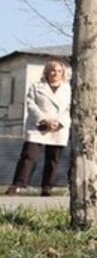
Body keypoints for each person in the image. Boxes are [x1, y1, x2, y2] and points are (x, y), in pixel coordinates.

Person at [7, 60, 70, 196]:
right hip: (38, 126)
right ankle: (18, 184)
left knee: (53, 159)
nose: (56, 73)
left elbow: (69, 108)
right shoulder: (36, 87)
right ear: (47, 72)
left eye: (59, 71)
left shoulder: (68, 88)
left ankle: (47, 187)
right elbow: (30, 103)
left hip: (58, 128)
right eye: (53, 70)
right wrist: (44, 120)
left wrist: (58, 123)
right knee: (28, 156)